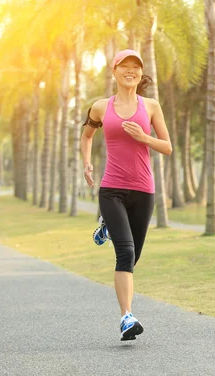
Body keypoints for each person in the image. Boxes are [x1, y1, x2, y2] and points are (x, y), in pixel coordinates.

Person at [80, 49, 172, 341]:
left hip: (144, 190)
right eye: (124, 66)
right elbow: (86, 135)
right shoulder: (99, 107)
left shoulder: (152, 106)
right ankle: (127, 317)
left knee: (134, 256)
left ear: (140, 74)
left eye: (135, 67)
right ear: (115, 71)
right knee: (126, 251)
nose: (130, 71)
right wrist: (86, 163)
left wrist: (144, 138)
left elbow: (168, 147)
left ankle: (108, 225)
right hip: (112, 189)